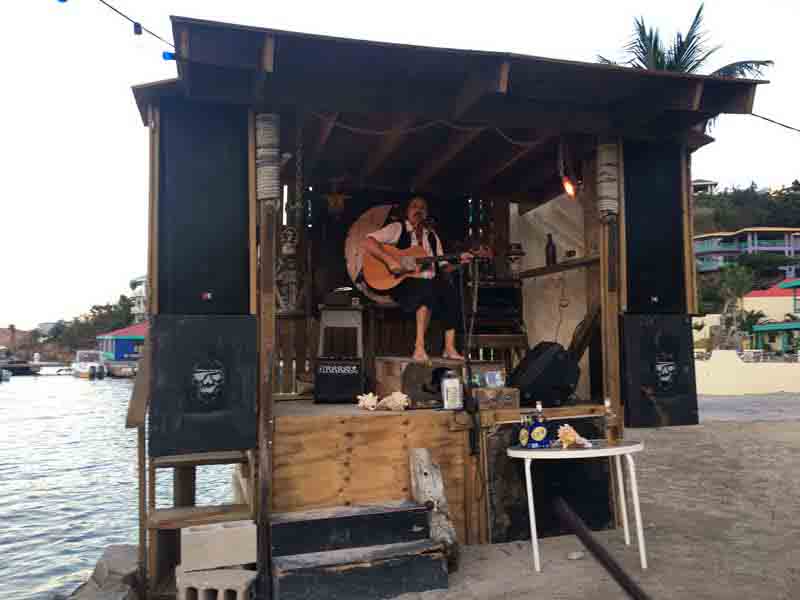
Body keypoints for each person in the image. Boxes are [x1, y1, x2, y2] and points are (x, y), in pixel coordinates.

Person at [363, 196, 472, 362]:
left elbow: (443, 267)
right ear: (407, 211)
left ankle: (449, 347)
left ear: (426, 213)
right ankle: (419, 346)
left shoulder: (433, 237)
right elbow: (368, 242)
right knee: (425, 289)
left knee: (450, 292)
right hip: (401, 282)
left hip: (428, 284)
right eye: (414, 206)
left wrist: (460, 263)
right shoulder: (397, 228)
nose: (418, 210)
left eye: (422, 207)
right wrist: (390, 260)